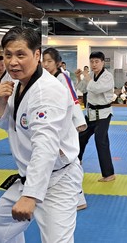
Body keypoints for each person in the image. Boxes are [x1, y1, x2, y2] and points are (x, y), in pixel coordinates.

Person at [0, 27, 83, 242]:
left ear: (37, 55)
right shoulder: (17, 84)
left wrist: (30, 196)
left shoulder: (46, 91)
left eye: (21, 55)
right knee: (0, 221)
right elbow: (11, 126)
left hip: (57, 180)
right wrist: (2, 102)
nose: (13, 62)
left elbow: (46, 146)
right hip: (29, 176)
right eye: (8, 54)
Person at [42, 47, 88, 210]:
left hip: (65, 124)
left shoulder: (62, 77)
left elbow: (73, 98)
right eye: (44, 61)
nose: (46, 64)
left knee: (67, 160)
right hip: (53, 122)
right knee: (62, 160)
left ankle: (77, 198)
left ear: (57, 63)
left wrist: (79, 121)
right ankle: (79, 198)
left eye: (49, 61)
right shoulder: (46, 78)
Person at [75, 52, 116, 182]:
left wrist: (87, 77)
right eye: (92, 61)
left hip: (104, 114)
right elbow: (83, 89)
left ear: (103, 62)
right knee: (81, 136)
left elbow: (97, 89)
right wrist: (78, 78)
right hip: (91, 113)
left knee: (101, 141)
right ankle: (76, 161)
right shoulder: (91, 75)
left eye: (96, 61)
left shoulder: (107, 76)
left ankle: (109, 174)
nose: (94, 64)